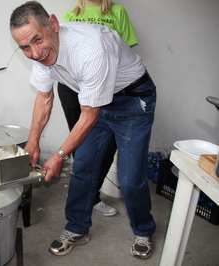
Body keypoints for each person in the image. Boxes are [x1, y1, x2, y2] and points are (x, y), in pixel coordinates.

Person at [9, 1, 156, 260]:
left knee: (130, 178)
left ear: (53, 24)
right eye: (25, 47)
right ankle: (77, 228)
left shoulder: (91, 49)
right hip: (97, 100)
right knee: (85, 167)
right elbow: (44, 99)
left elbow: (90, 115)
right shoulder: (41, 52)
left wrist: (59, 155)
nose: (34, 53)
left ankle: (143, 230)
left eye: (37, 40)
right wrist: (32, 142)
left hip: (132, 101)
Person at [58, 0, 139, 217]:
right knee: (80, 144)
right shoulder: (71, 14)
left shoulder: (117, 12)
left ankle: (92, 196)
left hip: (105, 86)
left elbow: (123, 50)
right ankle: (86, 197)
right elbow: (63, 51)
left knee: (106, 146)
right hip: (71, 88)